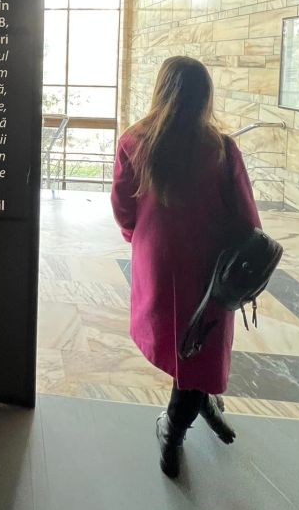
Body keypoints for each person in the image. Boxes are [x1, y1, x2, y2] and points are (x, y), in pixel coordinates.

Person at [110, 55, 260, 478]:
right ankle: (172, 434)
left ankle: (201, 399)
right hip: (210, 269)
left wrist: (140, 240)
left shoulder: (134, 141)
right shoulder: (221, 148)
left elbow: (122, 206)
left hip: (157, 261)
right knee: (202, 348)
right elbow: (247, 218)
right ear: (204, 96)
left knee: (179, 342)